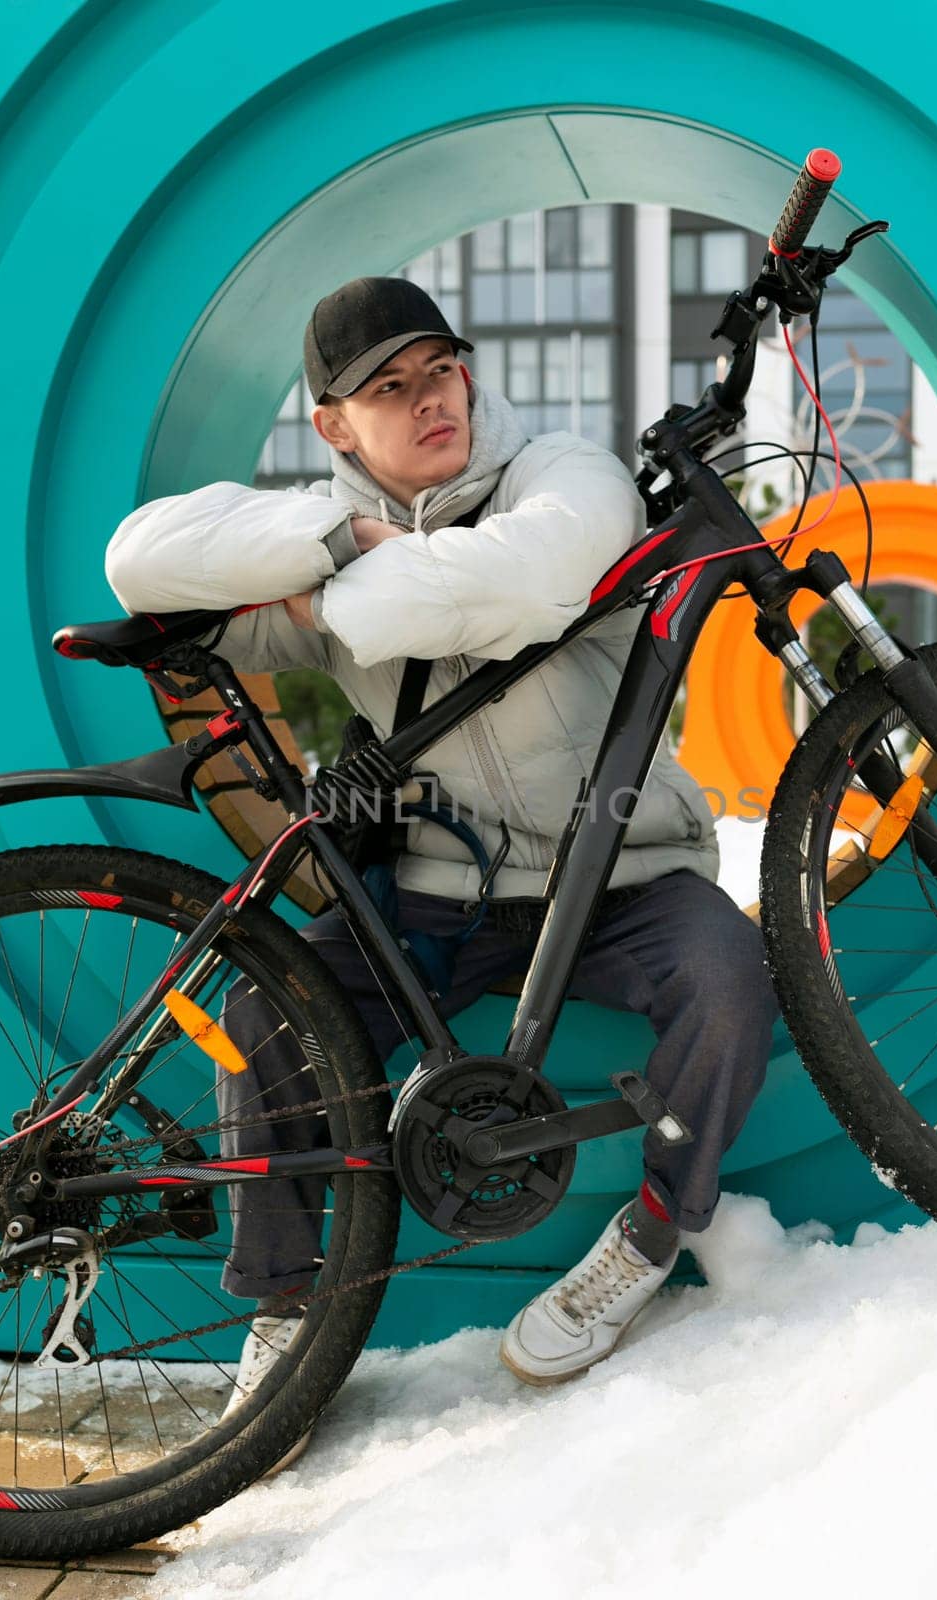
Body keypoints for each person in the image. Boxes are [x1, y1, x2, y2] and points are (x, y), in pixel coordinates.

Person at [106, 275, 776, 1440]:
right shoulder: (321, 531)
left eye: (441, 372)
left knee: (726, 980)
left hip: (619, 879)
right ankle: (287, 1304)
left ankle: (653, 1233)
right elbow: (137, 561)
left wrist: (331, 602)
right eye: (389, 388)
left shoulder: (562, 471)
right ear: (334, 426)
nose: (430, 401)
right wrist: (348, 539)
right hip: (439, 896)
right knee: (267, 1013)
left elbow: (527, 575)